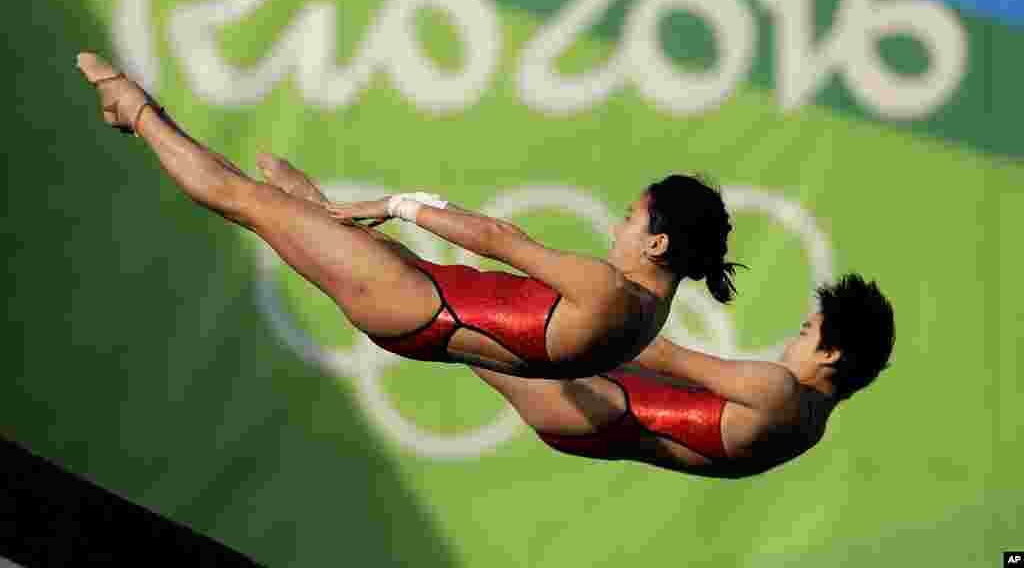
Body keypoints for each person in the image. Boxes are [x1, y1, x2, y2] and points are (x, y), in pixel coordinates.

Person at [223, 145, 895, 479]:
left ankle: (317, 213)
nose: (792, 340)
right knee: (426, 296)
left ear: (833, 354)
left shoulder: (780, 392)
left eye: (807, 333)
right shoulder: (808, 428)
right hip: (591, 421)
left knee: (429, 299)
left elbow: (662, 356)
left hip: (583, 398)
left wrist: (602, 323)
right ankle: (321, 216)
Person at [77, 52, 740, 379]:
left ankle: (133, 108)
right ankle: (315, 212)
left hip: (416, 299)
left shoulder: (606, 289)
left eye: (629, 218)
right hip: (424, 308)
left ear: (656, 241)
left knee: (246, 199)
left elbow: (498, 238)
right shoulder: (649, 315)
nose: (615, 227)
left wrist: (395, 203)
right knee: (286, 206)